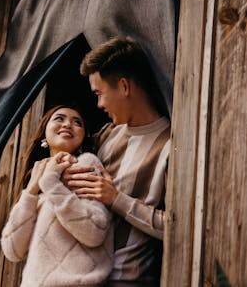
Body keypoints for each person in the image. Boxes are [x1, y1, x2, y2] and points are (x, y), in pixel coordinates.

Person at [64, 36, 171, 286]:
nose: (98, 104)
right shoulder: (106, 136)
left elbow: (178, 228)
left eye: (99, 94)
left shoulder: (170, 146)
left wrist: (116, 199)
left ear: (124, 87)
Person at [1, 105, 114, 287]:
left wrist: (51, 183)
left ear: (84, 136)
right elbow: (13, 250)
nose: (68, 124)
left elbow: (94, 232)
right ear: (44, 134)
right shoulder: (38, 177)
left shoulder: (86, 165)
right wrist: (31, 190)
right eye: (59, 118)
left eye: (77, 122)